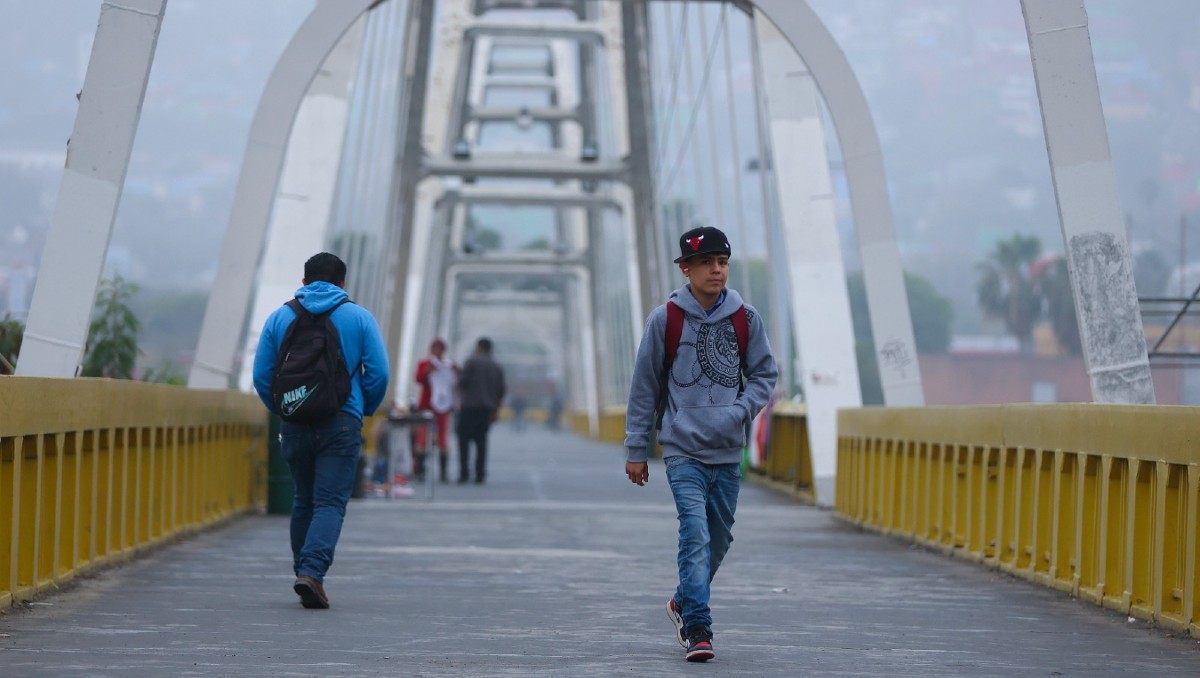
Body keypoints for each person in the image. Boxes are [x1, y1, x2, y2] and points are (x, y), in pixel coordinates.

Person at [622, 226, 777, 663]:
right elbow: (644, 387)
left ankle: (681, 600)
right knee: (694, 532)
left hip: (728, 450)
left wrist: (740, 411)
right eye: (706, 262)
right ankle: (698, 628)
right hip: (682, 448)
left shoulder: (746, 319)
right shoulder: (665, 319)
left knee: (719, 539)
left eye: (722, 262)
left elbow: (765, 375)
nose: (716, 270)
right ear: (685, 269)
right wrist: (636, 449)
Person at [252, 252, 390, 610]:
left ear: (303, 282)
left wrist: (285, 409)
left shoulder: (279, 317)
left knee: (304, 498)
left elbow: (262, 376)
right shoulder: (359, 317)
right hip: (342, 421)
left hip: (294, 423)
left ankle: (304, 569)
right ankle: (312, 572)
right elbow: (379, 373)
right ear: (343, 283)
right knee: (329, 502)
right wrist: (362, 408)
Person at [455, 337, 506, 484]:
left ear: (479, 347)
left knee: (463, 441)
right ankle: (480, 474)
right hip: (486, 410)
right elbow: (501, 391)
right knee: (481, 442)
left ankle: (464, 473)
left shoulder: (471, 362)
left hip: (469, 407)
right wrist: (496, 411)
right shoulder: (497, 366)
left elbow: (462, 383)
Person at [414, 338, 458, 483]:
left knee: (443, 438)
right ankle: (419, 469)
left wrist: (455, 370)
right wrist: (428, 371)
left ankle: (443, 471)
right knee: (423, 437)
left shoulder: (448, 366)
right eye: (435, 349)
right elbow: (418, 379)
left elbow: (456, 383)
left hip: (443, 406)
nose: (438, 352)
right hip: (427, 405)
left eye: (440, 349)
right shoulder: (425, 364)